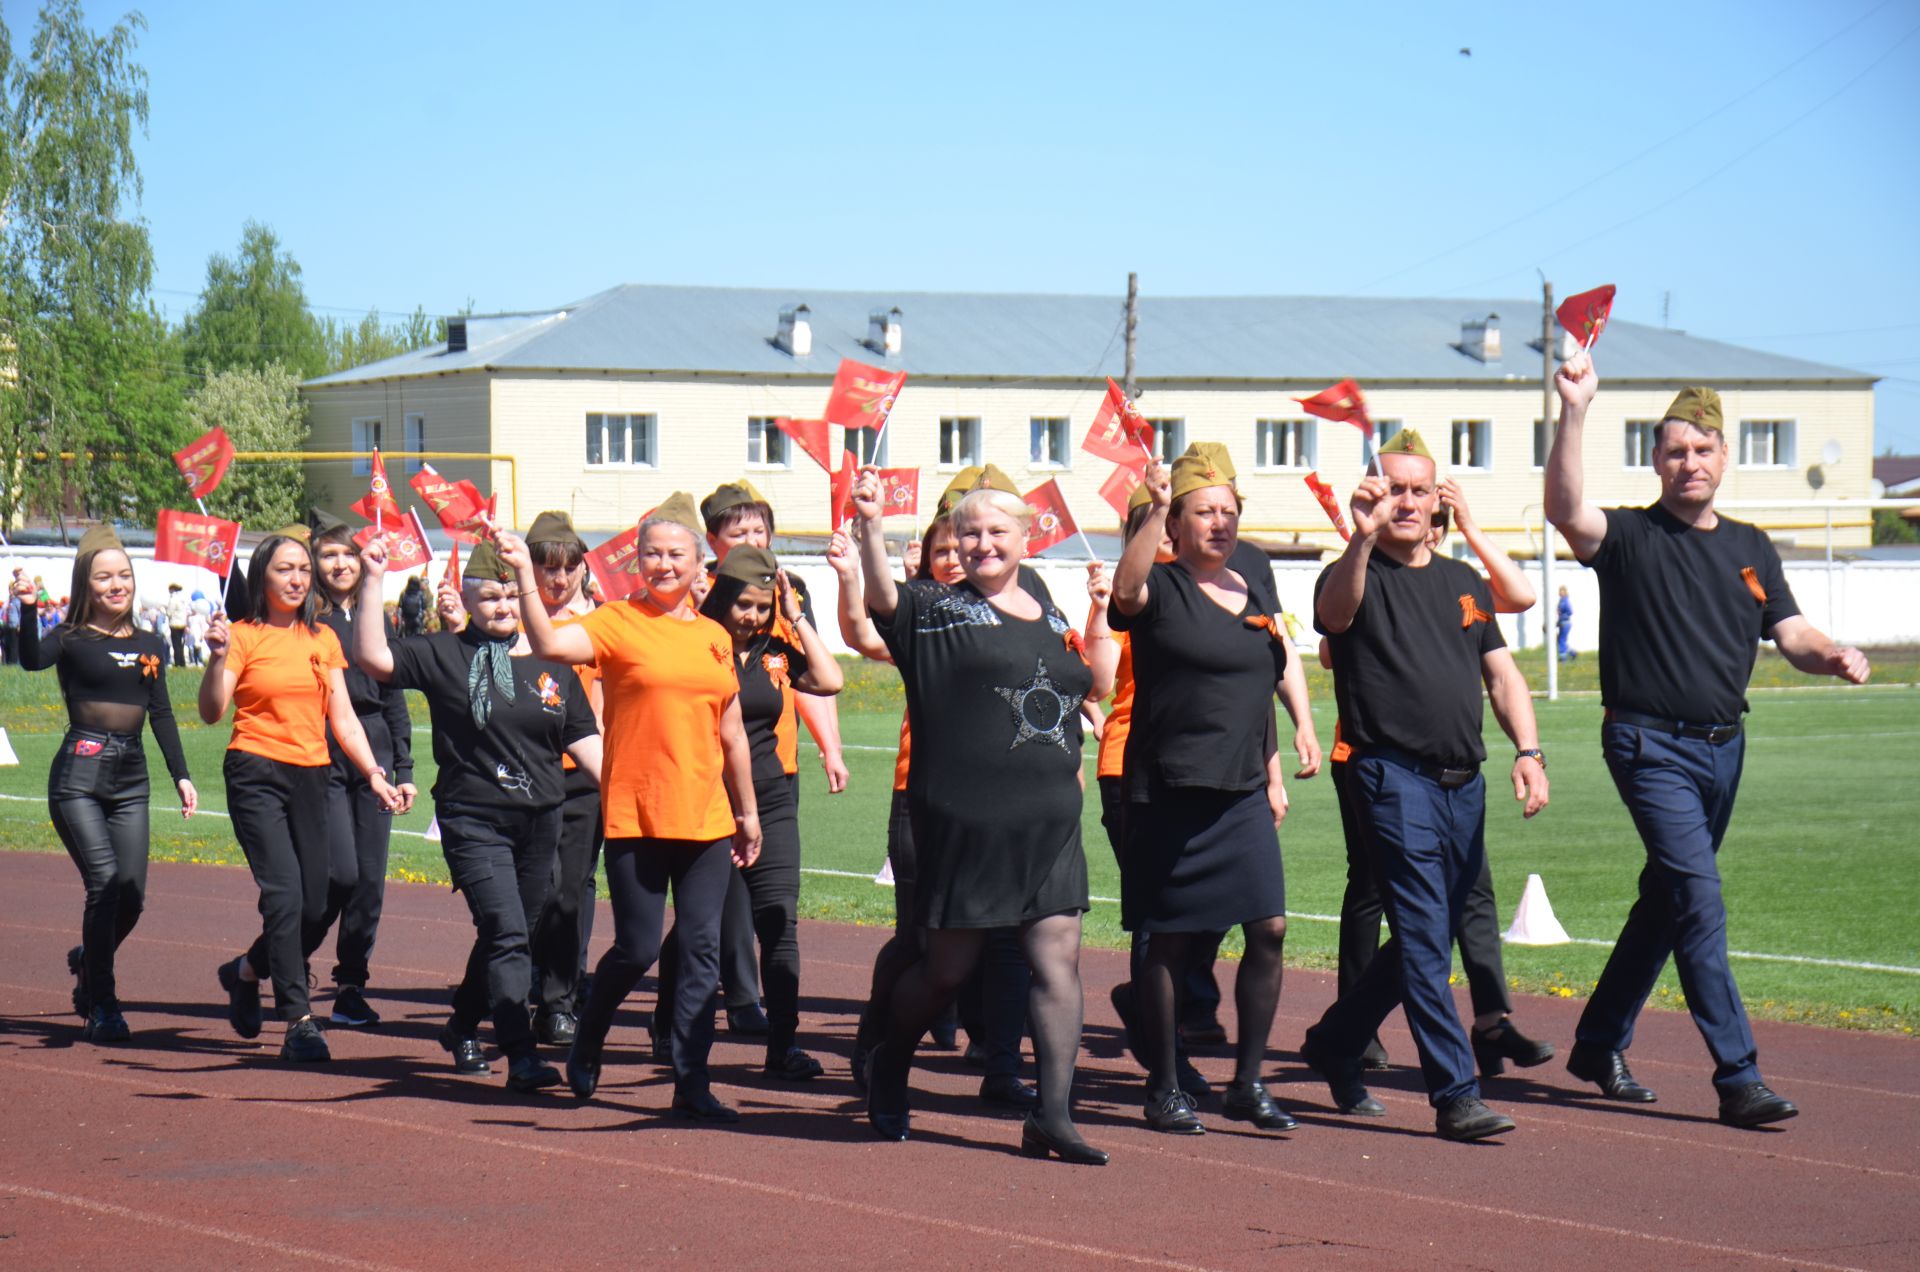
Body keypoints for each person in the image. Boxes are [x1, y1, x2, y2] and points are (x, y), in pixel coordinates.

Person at [1545, 360, 1869, 1128]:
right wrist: (1576, 411)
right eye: (1674, 452)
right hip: (1647, 745)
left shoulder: (1752, 547)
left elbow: (1790, 631)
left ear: (1724, 457)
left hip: (1724, 750)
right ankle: (1738, 1075)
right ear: (1657, 462)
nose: (1689, 463)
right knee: (1698, 898)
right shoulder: (1627, 535)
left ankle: (1596, 1043)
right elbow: (1565, 509)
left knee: (1666, 900)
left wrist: (1831, 655)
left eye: (1702, 450)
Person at [1298, 430, 1549, 1142]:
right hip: (1390, 776)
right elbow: (1335, 618)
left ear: (1437, 500)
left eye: (1418, 489)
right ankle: (1455, 1091)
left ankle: (1336, 1041)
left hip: (1461, 784)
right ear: (1373, 494)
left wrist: (1529, 751)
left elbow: (1501, 675)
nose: (1405, 501)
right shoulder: (1352, 570)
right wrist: (1361, 536)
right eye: (1392, 487)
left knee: (1425, 936)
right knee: (1422, 934)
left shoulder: (1465, 583)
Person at [853, 468, 1106, 1165]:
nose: (982, 543)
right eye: (970, 533)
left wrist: (1103, 618)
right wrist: (871, 526)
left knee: (1059, 961)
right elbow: (879, 597)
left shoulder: (1052, 615)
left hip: (1049, 822)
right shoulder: (932, 608)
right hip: (965, 822)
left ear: (1028, 538)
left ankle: (1052, 1116)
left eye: (998, 531)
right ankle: (890, 1064)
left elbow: (1090, 689)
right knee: (946, 971)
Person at [505, 494, 762, 1122]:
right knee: (638, 949)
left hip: (706, 820)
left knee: (701, 952)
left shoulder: (714, 639)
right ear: (638, 561)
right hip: (636, 815)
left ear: (700, 565)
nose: (663, 564)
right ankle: (589, 1031)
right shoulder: (616, 623)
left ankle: (690, 1080)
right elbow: (545, 642)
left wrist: (747, 813)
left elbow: (731, 732)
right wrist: (520, 574)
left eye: (676, 554)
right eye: (653, 554)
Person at [1109, 443, 1317, 1137]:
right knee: (1168, 941)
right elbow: (1124, 592)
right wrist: (1154, 512)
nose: (1220, 524)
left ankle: (1248, 1084)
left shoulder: (1252, 584)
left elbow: (1275, 664)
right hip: (1171, 790)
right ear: (1177, 523)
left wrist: (1293, 739)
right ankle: (1164, 1085)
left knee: (1269, 928)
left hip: (1241, 792)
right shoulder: (1161, 585)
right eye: (1204, 512)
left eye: (1229, 512)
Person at [831, 466, 1051, 1112]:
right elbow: (867, 633)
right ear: (932, 553)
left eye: (988, 533)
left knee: (1011, 939)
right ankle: (879, 1042)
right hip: (929, 795)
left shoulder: (1030, 597)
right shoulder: (927, 608)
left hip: (1012, 801)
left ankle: (1002, 1060)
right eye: (952, 542)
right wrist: (855, 572)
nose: (969, 551)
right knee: (928, 940)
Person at [353, 534, 601, 1091]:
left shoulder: (552, 658)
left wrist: (638, 801)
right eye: (490, 596)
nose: (503, 607)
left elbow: (584, 739)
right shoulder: (443, 653)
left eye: (513, 595)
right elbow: (374, 657)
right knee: (508, 931)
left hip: (542, 821)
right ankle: (520, 1054)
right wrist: (373, 581)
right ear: (466, 599)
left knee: (509, 934)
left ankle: (463, 1023)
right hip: (473, 820)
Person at [201, 529, 402, 1062]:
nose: (296, 579)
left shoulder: (322, 639)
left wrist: (376, 773)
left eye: (301, 571)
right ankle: (298, 1020)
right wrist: (214, 660)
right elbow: (212, 710)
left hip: (313, 774)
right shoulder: (242, 635)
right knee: (285, 895)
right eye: (283, 570)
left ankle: (246, 970)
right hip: (255, 772)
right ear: (261, 577)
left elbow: (344, 718)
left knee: (332, 888)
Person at [655, 546, 844, 1080]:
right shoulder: (694, 642)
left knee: (780, 923)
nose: (752, 616)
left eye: (763, 606)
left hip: (773, 798)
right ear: (720, 598)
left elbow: (830, 681)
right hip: (707, 800)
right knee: (699, 924)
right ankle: (669, 1026)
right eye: (744, 604)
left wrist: (795, 613)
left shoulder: (776, 650)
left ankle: (783, 1045)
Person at [16, 526, 199, 1042]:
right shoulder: (70, 638)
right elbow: (30, 660)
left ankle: (88, 959)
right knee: (104, 884)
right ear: (86, 584)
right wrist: (29, 608)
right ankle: (103, 1004)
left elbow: (160, 713)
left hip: (131, 777)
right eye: (104, 577)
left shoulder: (151, 643)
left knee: (133, 896)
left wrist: (181, 776)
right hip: (79, 773)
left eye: (123, 575)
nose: (116, 585)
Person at [696, 479, 848, 1037]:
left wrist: (830, 746)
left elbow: (815, 679)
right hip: (710, 779)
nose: (753, 539)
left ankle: (780, 1037)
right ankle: (733, 996)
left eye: (761, 530)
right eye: (739, 532)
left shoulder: (786, 597)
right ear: (713, 540)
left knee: (776, 904)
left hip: (775, 765)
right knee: (719, 903)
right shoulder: (699, 601)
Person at [309, 512, 418, 1028]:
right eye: (328, 554)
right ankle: (274, 958)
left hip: (373, 748)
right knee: (338, 874)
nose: (339, 564)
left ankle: (350, 986)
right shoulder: (305, 617)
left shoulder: (380, 616)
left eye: (348, 554)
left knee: (370, 879)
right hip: (322, 748)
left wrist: (403, 766)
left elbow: (393, 696)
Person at [519, 511, 605, 1047]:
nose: (558, 578)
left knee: (572, 889)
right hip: (524, 775)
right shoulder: (515, 617)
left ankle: (559, 999)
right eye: (547, 567)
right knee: (537, 890)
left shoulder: (600, 620)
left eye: (569, 566)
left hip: (583, 776)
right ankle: (534, 980)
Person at [165, 582, 190, 668]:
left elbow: (169, 613)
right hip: (182, 624)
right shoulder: (182, 599)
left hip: (175, 624)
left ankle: (177, 662)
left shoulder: (173, 600)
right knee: (181, 644)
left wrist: (164, 610)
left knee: (176, 645)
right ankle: (182, 662)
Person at [1557, 586, 1575, 661]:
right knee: (1561, 640)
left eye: (1562, 591)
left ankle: (1563, 658)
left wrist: (1562, 616)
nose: (1560, 592)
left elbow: (1570, 612)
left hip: (1566, 623)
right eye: (1560, 591)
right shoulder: (1561, 601)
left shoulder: (1566, 601)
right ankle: (1572, 653)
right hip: (1561, 623)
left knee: (1561, 640)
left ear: (1565, 592)